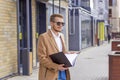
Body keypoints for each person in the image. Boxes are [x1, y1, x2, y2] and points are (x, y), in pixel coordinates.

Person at [37, 14, 72, 80]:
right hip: (50, 73)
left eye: (62, 23)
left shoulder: (62, 36)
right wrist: (56, 67)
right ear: (51, 23)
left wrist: (69, 54)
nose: (61, 25)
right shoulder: (43, 37)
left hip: (63, 71)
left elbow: (62, 52)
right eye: (58, 23)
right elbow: (41, 58)